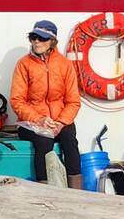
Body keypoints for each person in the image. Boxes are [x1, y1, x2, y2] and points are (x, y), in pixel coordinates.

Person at [11, 18, 82, 182]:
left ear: (52, 41)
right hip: (32, 122)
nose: (36, 41)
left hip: (60, 120)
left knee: (70, 142)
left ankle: (78, 195)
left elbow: (73, 101)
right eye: (33, 37)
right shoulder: (23, 64)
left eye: (41, 38)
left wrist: (61, 122)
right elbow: (17, 100)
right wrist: (39, 119)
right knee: (44, 142)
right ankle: (44, 193)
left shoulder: (65, 65)